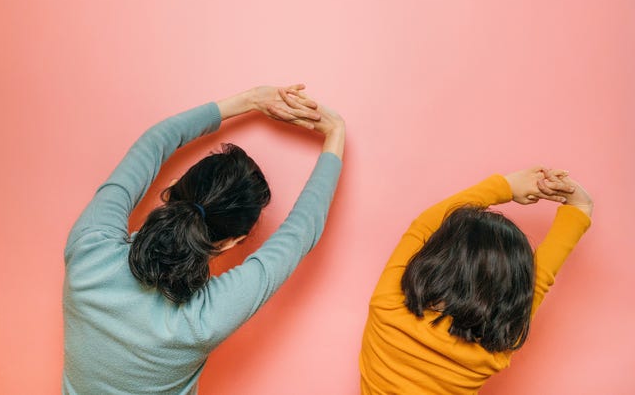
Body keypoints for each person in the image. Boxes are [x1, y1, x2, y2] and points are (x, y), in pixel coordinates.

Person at [62, 84, 345, 395]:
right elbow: (300, 233)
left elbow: (154, 143)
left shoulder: (88, 249)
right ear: (230, 242)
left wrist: (248, 101)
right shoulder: (206, 317)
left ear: (171, 188)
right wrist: (334, 132)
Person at [359, 167, 593, 394]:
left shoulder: (388, 305)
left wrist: (506, 186)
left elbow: (424, 225)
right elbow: (540, 279)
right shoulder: (497, 342)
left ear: (436, 256)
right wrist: (580, 205)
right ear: (514, 291)